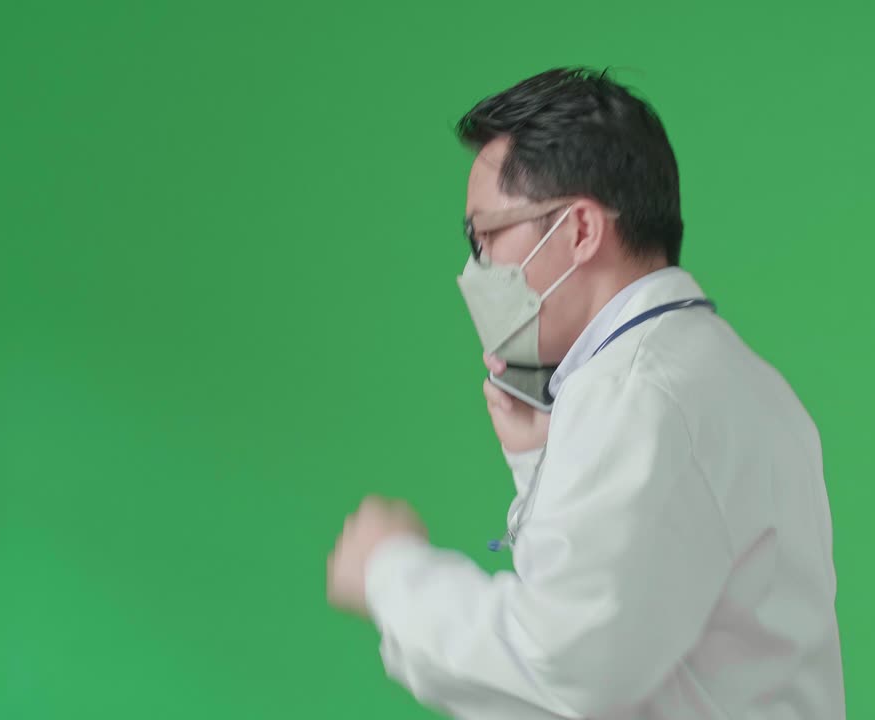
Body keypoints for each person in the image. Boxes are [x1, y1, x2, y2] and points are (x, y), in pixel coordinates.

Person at [326, 67, 845, 719]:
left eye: (484, 236)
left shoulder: (636, 392)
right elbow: (641, 628)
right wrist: (541, 466)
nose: (474, 268)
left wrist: (390, 573)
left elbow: (567, 670)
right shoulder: (723, 375)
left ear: (578, 230)